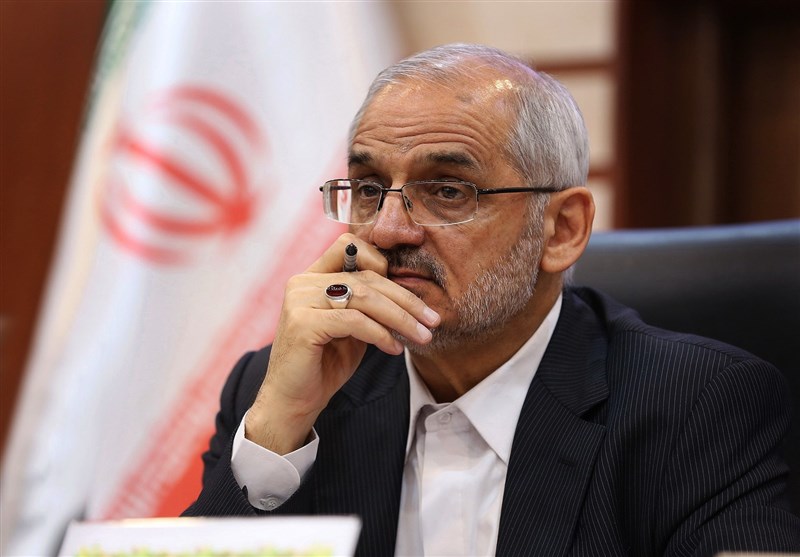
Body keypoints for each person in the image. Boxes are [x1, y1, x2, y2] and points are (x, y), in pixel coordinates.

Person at [184, 44, 800, 555]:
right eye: (369, 189)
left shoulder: (696, 406)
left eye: (448, 190)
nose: (388, 231)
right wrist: (276, 430)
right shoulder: (282, 388)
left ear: (561, 230)